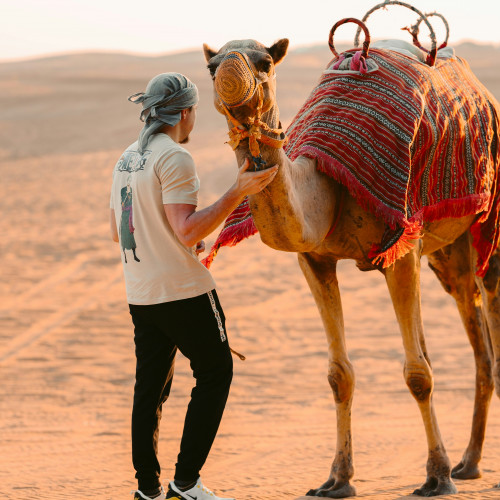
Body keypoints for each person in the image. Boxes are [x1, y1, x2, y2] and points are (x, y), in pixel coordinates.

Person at [109, 73, 277, 500]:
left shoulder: (127, 158)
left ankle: (147, 490)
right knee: (217, 371)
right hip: (183, 291)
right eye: (194, 111)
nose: (194, 119)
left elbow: (119, 230)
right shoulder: (175, 158)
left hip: (141, 293)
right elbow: (184, 232)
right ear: (184, 112)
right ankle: (185, 483)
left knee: (149, 390)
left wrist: (172, 234)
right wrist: (236, 191)